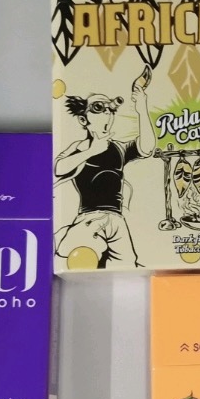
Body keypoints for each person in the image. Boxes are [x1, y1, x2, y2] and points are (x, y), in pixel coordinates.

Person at [54, 72, 155, 269]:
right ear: (83, 120)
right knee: (77, 257)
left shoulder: (118, 148)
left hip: (117, 220)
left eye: (110, 109)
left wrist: (141, 107)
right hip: (90, 217)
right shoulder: (80, 147)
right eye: (98, 108)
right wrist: (92, 151)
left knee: (127, 267)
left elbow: (147, 148)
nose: (107, 113)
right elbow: (59, 168)